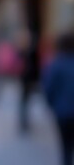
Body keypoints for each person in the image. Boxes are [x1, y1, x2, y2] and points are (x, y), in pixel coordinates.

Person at [41, 31, 74, 165]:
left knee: (65, 145)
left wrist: (52, 105)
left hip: (62, 112)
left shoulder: (55, 64)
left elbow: (48, 88)